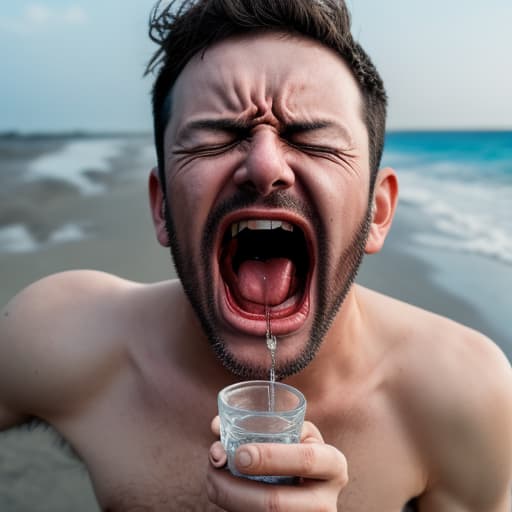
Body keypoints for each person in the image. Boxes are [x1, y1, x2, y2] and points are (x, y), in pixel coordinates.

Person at [1, 0, 511, 510]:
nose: (265, 165)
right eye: (217, 137)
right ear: (162, 208)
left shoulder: (461, 393)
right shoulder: (64, 335)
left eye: (312, 139)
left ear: (377, 212)